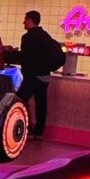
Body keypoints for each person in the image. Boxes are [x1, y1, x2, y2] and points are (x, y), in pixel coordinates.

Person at [18, 9, 63, 138]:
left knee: (20, 100)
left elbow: (26, 57)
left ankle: (27, 128)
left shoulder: (27, 37)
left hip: (32, 75)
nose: (23, 22)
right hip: (45, 76)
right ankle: (39, 132)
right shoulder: (45, 36)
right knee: (41, 103)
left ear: (30, 20)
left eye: (25, 20)